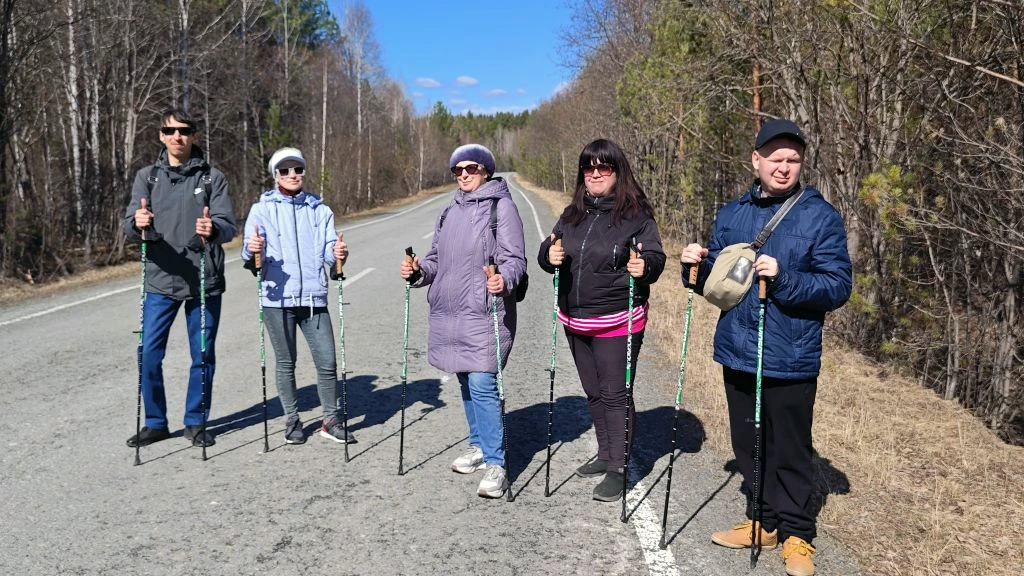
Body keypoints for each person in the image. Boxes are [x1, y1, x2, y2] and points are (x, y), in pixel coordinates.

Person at [680, 119, 851, 576]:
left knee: (791, 448)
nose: (784, 167)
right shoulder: (732, 213)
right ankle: (762, 520)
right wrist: (693, 268)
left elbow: (837, 287)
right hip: (738, 347)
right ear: (755, 160)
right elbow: (719, 285)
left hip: (790, 355)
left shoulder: (820, 216)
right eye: (775, 158)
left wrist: (785, 279)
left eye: (792, 160)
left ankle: (797, 533)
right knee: (748, 442)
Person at [537, 138, 666, 502]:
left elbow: (655, 257)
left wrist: (645, 267)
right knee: (593, 392)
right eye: (589, 167)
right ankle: (606, 452)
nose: (595, 173)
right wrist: (550, 255)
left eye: (603, 167)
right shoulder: (572, 213)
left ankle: (619, 467)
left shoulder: (635, 215)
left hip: (618, 319)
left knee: (615, 394)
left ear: (617, 171)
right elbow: (549, 253)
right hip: (575, 318)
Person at [399, 144, 527, 499]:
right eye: (458, 170)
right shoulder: (448, 211)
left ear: (485, 170)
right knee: (465, 382)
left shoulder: (502, 208)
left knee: (483, 383)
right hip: (449, 314)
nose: (464, 174)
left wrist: (505, 280)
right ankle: (478, 445)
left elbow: (515, 259)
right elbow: (436, 259)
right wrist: (418, 272)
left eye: (471, 168)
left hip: (485, 312)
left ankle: (497, 463)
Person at [124, 107, 237, 449]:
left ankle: (196, 422)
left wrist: (213, 228)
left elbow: (229, 226)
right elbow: (129, 225)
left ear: (193, 136)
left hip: (204, 280)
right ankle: (156, 423)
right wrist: (138, 222)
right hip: (161, 280)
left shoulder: (212, 178)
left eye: (185, 131)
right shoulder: (147, 177)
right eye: (171, 131)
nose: (178, 137)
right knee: (149, 355)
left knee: (202, 355)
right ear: (161, 135)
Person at [241, 147, 354, 446]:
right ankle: (292, 419)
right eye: (285, 170)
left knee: (327, 362)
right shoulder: (261, 209)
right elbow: (249, 252)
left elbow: (330, 250)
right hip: (277, 300)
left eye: (298, 169)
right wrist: (254, 249)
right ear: (275, 175)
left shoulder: (320, 209)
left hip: (314, 299)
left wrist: (338, 253)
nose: (293, 175)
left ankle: (330, 420)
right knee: (286, 361)